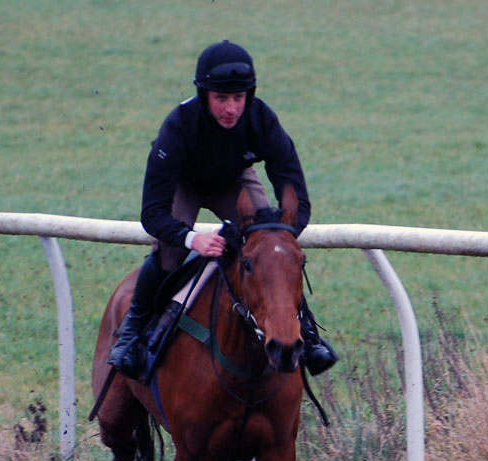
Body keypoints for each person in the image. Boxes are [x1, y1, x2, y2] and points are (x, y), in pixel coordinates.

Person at [108, 39, 338, 380]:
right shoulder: (178, 126)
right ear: (204, 96)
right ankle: (132, 333)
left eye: (238, 98)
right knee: (170, 254)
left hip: (234, 180)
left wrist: (281, 235)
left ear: (249, 95)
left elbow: (298, 199)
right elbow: (152, 214)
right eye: (221, 98)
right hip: (184, 184)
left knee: (271, 250)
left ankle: (307, 335)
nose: (231, 108)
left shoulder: (262, 119)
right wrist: (193, 239)